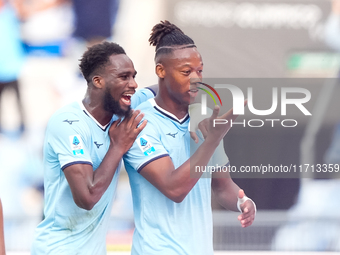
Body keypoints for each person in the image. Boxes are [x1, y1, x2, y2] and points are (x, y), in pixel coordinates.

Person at [123, 20, 256, 254]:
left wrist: (243, 202)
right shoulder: (141, 123)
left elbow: (222, 186)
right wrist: (213, 139)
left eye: (200, 70)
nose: (196, 79)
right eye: (186, 72)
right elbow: (175, 189)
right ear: (160, 71)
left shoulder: (204, 118)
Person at [31, 41, 156, 254]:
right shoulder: (68, 123)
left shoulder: (122, 105)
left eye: (134, 76)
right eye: (124, 77)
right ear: (98, 81)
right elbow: (86, 198)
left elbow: (168, 87)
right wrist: (118, 147)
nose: (134, 84)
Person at [0, 0, 26, 134]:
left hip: (13, 65)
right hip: (2, 67)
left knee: (18, 100)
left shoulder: (11, 12)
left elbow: (23, 14)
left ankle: (22, 126)